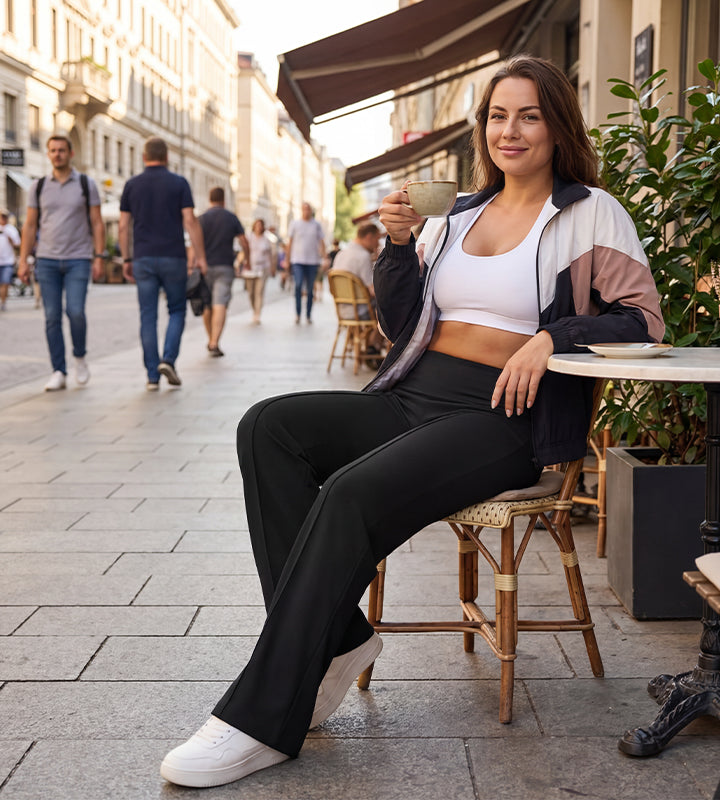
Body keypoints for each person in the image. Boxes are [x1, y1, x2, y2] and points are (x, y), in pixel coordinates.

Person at [159, 55, 665, 789]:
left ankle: (260, 719)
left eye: (528, 114)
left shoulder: (589, 211)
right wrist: (398, 246)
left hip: (506, 416)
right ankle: (339, 640)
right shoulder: (457, 213)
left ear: (557, 125)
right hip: (416, 393)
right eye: (497, 115)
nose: (510, 130)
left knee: (350, 494)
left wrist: (554, 337)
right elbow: (403, 325)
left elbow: (644, 319)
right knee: (267, 428)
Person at [17, 135, 105, 391]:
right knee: (51, 317)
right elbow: (30, 225)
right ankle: (58, 370)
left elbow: (98, 223)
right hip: (47, 260)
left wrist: (99, 257)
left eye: (62, 150)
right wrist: (23, 260)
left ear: (71, 153)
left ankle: (79, 356)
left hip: (79, 258)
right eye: (53, 151)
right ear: (48, 154)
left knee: (75, 311)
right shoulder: (39, 186)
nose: (57, 154)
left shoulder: (87, 184)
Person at [119, 136, 207, 390]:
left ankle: (151, 376)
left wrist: (126, 257)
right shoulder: (179, 183)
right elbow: (190, 220)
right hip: (173, 256)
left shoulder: (132, 185)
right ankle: (168, 359)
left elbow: (124, 226)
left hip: (143, 257)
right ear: (167, 157)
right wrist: (200, 256)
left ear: (144, 157)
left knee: (148, 315)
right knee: (177, 309)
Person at [198, 187, 250, 355]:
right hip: (225, 266)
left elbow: (194, 243)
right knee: (220, 304)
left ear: (210, 199)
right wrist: (245, 259)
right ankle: (214, 342)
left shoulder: (202, 219)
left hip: (205, 267)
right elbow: (244, 241)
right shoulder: (231, 217)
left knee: (207, 306)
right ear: (224, 199)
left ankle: (211, 339)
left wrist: (193, 263)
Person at [332, 222, 385, 358]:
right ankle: (374, 345)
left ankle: (368, 344)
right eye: (377, 239)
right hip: (359, 311)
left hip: (343, 309)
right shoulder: (362, 256)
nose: (378, 244)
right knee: (389, 306)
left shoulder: (341, 254)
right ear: (368, 237)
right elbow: (373, 291)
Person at [287, 201, 327, 324]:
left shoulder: (316, 225)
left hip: (312, 261)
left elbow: (321, 242)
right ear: (301, 210)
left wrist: (325, 258)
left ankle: (308, 314)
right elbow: (290, 242)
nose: (306, 211)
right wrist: (287, 260)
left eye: (308, 209)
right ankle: (298, 314)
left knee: (310, 289)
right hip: (297, 260)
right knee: (298, 286)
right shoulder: (295, 224)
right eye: (304, 209)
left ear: (311, 211)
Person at [243, 218, 273, 324]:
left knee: (259, 292)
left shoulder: (266, 239)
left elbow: (270, 254)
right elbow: (243, 251)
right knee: (251, 292)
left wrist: (272, 268)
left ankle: (257, 313)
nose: (259, 227)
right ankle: (254, 309)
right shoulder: (249, 237)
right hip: (250, 268)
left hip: (262, 268)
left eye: (261, 225)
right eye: (257, 225)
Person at [0, 209, 20, 312]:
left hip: (8, 261)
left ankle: (3, 302)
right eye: (1, 216)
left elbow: (18, 245)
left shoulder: (11, 230)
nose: (3, 218)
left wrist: (11, 241)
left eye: (5, 216)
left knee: (5, 282)